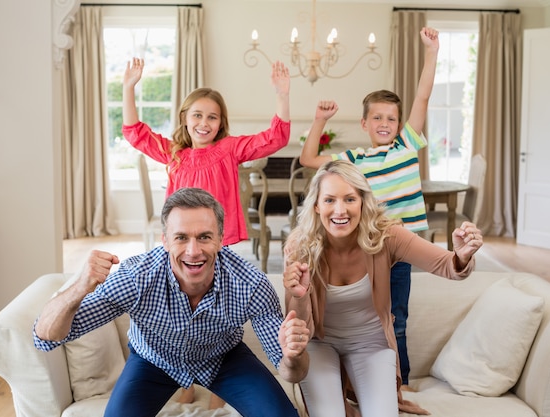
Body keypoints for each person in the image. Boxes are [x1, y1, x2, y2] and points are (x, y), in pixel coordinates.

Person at [34, 187, 310, 417]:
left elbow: (292, 373)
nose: (193, 251)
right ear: (164, 240)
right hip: (153, 359)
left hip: (223, 357)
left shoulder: (250, 284)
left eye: (204, 237)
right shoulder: (137, 277)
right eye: (181, 238)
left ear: (221, 240)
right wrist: (80, 286)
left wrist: (293, 354)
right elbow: (46, 336)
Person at [283, 160, 483, 417]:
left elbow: (447, 265)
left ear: (363, 202)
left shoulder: (387, 236)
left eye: (350, 199)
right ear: (316, 205)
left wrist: (462, 255)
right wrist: (299, 296)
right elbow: (298, 328)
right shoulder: (300, 246)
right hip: (320, 344)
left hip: (371, 343)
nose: (340, 210)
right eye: (330, 200)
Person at [298, 27, 439, 387]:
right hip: (366, 250)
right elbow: (309, 157)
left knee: (397, 317)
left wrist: (431, 52)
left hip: (400, 249)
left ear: (400, 124)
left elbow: (422, 96)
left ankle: (400, 383)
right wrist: (320, 120)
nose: (384, 124)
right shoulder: (353, 159)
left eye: (391, 118)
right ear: (364, 123)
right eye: (377, 117)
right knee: (370, 316)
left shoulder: (406, 146)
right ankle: (361, 376)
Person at [122, 58, 291, 246]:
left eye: (212, 117)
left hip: (216, 240)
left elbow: (276, 138)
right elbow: (134, 132)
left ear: (220, 124)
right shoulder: (173, 153)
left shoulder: (230, 149)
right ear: (185, 118)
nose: (204, 123)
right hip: (181, 237)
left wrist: (282, 95)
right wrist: (128, 88)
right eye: (197, 115)